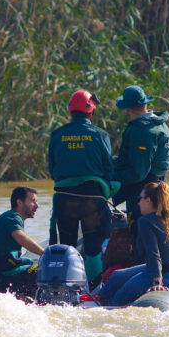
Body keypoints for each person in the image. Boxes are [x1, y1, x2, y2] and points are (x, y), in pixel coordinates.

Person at [48, 90, 114, 286]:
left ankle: (65, 288)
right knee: (93, 245)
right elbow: (108, 168)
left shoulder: (57, 135)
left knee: (66, 244)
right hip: (92, 200)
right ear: (91, 112)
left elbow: (52, 169)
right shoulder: (100, 135)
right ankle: (95, 288)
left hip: (64, 198)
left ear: (70, 112)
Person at [112, 85, 169, 260]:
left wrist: (112, 178)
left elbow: (138, 173)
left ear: (128, 109)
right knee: (160, 229)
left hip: (143, 192)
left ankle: (144, 270)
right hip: (161, 188)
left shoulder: (142, 130)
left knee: (140, 233)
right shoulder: (161, 124)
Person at [98, 181, 169, 306]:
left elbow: (153, 252)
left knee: (118, 298)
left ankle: (103, 306)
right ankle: (98, 300)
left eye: (140, 199)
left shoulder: (145, 221)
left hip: (163, 274)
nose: (138, 203)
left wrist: (157, 281)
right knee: (116, 276)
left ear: (148, 201)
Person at [0, 186, 45, 298]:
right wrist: (45, 253)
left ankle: (24, 298)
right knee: (42, 270)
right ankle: (39, 303)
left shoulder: (11, 217)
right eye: (33, 201)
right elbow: (21, 237)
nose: (37, 206)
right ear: (20, 202)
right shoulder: (13, 217)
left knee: (32, 262)